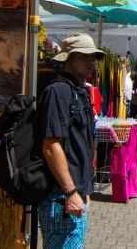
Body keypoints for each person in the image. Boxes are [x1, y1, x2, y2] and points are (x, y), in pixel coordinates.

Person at [38, 33, 103, 247]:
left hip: (73, 194)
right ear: (69, 59)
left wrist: (84, 190)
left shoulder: (80, 92)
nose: (90, 62)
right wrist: (71, 191)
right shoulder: (58, 92)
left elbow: (81, 144)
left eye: (92, 57)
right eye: (84, 57)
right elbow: (51, 145)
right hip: (60, 197)